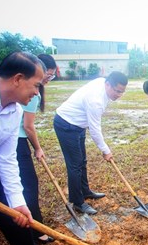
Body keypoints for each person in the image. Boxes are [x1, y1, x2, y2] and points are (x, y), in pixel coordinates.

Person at [0, 51, 44, 245]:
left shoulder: (15, 112)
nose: (37, 92)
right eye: (36, 85)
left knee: (21, 231)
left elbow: (6, 159)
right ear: (17, 79)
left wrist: (17, 201)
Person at [53, 71, 128, 215]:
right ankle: (77, 202)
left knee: (82, 161)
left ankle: (85, 191)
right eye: (117, 91)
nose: (119, 95)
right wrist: (105, 150)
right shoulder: (96, 101)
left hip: (79, 125)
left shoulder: (102, 83)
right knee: (75, 165)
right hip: (66, 125)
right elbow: (95, 130)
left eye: (122, 92)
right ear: (107, 84)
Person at [17, 54, 57, 244]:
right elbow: (28, 126)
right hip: (16, 142)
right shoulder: (34, 93)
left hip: (14, 140)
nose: (47, 80)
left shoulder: (30, 89)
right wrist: (38, 148)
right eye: (47, 76)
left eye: (50, 76)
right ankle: (36, 229)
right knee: (29, 185)